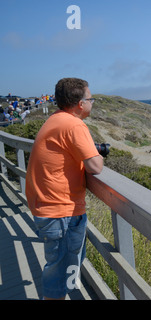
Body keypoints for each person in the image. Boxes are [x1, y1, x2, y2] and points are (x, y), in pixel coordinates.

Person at [25, 78, 103, 300]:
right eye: (91, 99)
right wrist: (96, 154)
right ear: (80, 103)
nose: (92, 103)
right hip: (62, 213)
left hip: (48, 208)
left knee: (63, 268)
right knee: (61, 274)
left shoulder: (55, 120)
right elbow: (95, 166)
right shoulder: (74, 125)